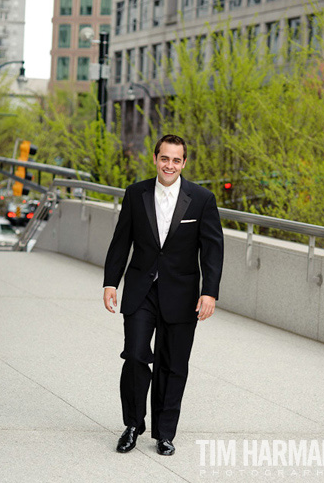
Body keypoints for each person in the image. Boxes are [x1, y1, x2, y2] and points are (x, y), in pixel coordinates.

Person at [102, 134, 223, 456]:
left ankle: (164, 433)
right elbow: (120, 241)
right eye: (164, 158)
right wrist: (110, 282)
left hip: (182, 295)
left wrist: (209, 292)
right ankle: (132, 424)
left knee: (173, 365)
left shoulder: (201, 199)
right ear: (155, 158)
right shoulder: (136, 193)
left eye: (176, 160)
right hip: (141, 291)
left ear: (184, 163)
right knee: (136, 355)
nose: (169, 165)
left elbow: (212, 251)